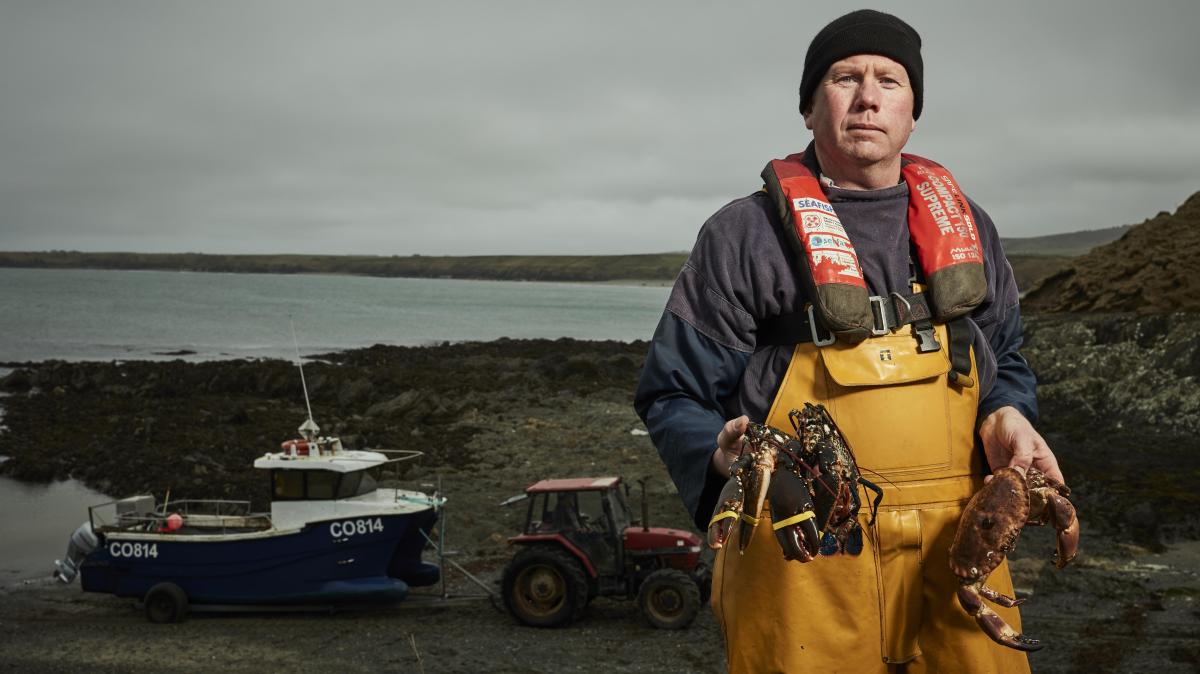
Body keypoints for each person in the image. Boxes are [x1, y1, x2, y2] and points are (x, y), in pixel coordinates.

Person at [634, 9, 1066, 673]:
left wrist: (1008, 411)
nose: (868, 97)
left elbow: (1005, 358)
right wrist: (720, 458)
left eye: (889, 81)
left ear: (913, 113)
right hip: (805, 556)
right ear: (810, 108)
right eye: (844, 78)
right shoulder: (744, 236)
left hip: (958, 551)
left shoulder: (970, 228)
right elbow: (673, 394)